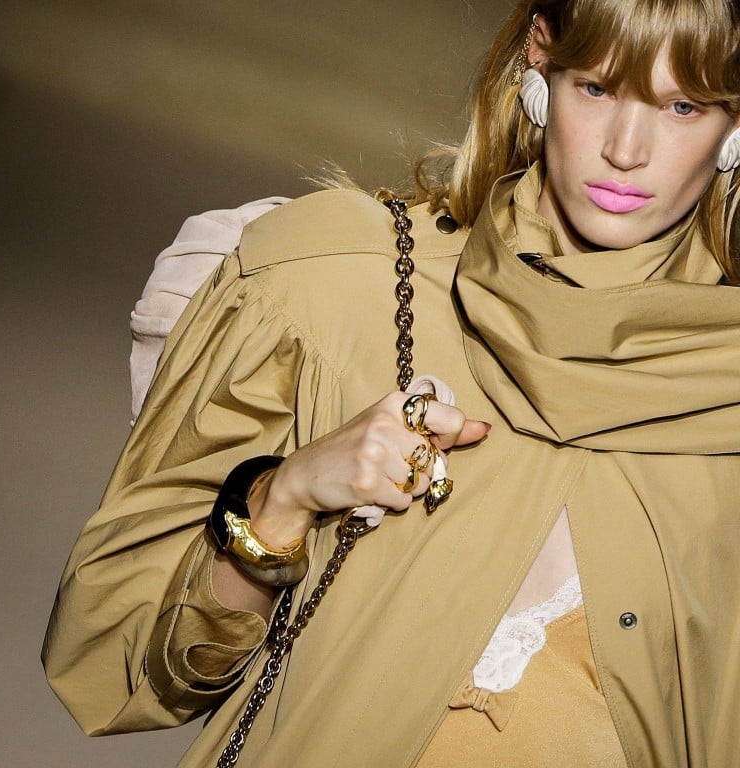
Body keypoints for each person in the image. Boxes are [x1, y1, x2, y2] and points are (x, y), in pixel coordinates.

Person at [42, 0, 740, 766]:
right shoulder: (333, 285)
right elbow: (118, 669)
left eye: (683, 105)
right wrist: (280, 500)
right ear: (542, 58)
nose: (626, 150)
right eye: (600, 88)